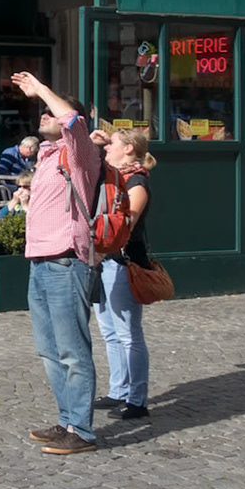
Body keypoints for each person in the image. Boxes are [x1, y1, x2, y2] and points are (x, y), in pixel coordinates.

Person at [13, 70, 104, 455]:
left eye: (49, 112)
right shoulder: (48, 156)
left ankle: (82, 430)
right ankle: (67, 419)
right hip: (40, 261)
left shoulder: (80, 151)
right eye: (42, 111)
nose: (43, 115)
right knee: (49, 350)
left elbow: (71, 120)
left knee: (72, 350)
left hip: (67, 261)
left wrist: (41, 89)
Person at [95, 128, 155, 419]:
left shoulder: (136, 182)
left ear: (129, 148)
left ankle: (137, 399)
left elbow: (126, 225)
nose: (106, 148)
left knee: (129, 333)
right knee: (109, 332)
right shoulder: (112, 178)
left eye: (112, 144)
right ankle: (118, 390)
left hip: (122, 262)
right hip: (103, 260)